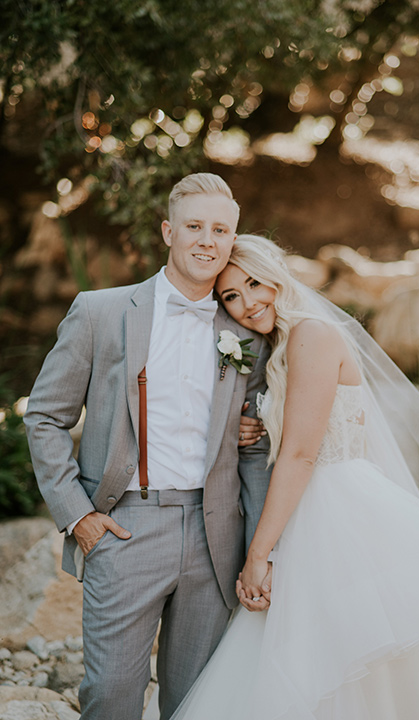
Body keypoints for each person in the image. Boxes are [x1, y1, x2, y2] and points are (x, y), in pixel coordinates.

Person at [165, 233, 419, 720]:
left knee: (348, 659)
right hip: (310, 506)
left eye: (254, 284)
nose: (247, 304)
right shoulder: (282, 346)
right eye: (231, 295)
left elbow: (301, 455)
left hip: (336, 510)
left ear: (277, 277)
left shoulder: (311, 334)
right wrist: (256, 425)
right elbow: (295, 430)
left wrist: (257, 556)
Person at [23, 175, 272, 720]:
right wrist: (78, 517)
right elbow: (44, 416)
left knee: (199, 703)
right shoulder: (101, 312)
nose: (208, 240)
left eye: (221, 230)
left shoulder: (247, 333)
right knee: (110, 698)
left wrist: (258, 549)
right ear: (168, 231)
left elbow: (251, 449)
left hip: (215, 536)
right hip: (125, 530)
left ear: (233, 241)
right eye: (195, 227)